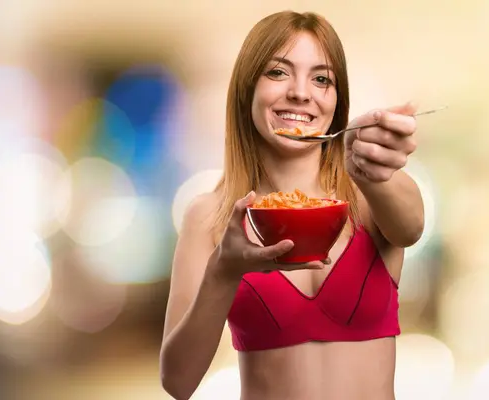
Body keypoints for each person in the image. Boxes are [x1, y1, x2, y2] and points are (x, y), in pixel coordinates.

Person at [160, 10, 424, 400]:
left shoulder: (372, 193)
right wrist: (223, 272)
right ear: (246, 90)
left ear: (338, 100)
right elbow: (177, 383)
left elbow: (411, 227)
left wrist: (369, 168)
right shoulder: (210, 217)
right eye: (278, 72)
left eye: (321, 79)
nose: (301, 92)